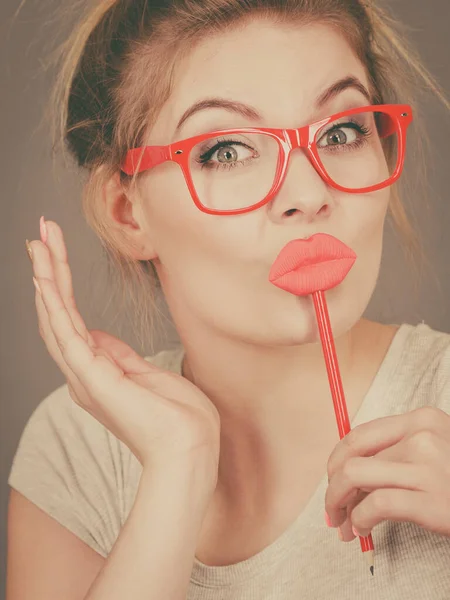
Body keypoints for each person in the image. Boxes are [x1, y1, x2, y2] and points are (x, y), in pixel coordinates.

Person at [6, 0, 450, 598]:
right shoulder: (80, 448)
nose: (308, 193)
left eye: (341, 132)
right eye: (228, 150)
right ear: (126, 213)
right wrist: (178, 469)